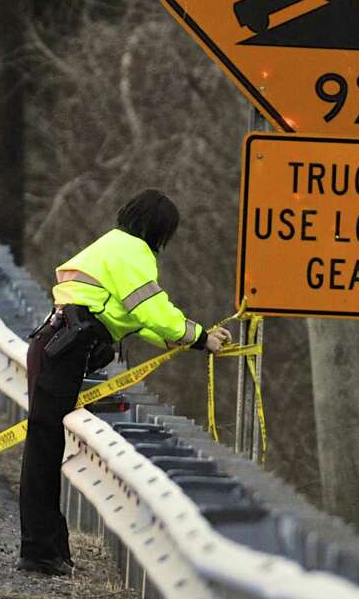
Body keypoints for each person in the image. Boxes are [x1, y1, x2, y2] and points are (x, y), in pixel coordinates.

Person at [18, 188, 229, 576]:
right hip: (65, 348)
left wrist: (175, 338)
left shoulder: (114, 244)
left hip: (58, 344)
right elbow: (152, 309)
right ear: (160, 230)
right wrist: (199, 336)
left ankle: (49, 549)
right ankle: (39, 552)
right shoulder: (134, 252)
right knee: (44, 452)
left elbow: (129, 315)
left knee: (44, 448)